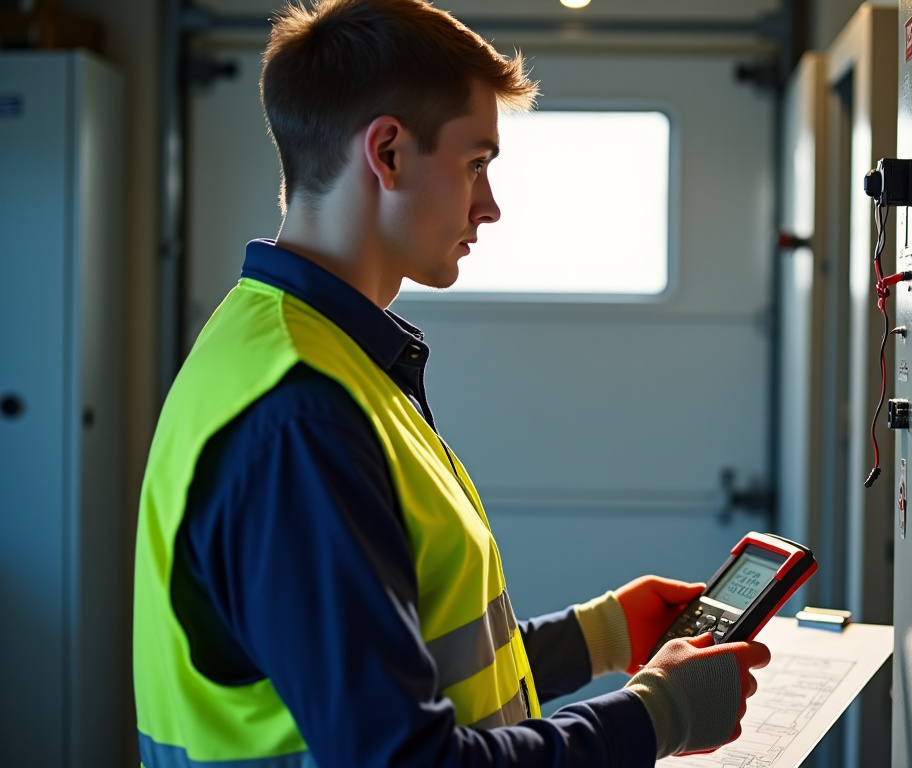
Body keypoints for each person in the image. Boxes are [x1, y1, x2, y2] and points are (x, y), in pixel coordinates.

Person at [130, 0, 771, 765]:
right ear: (389, 152)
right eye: (476, 163)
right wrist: (655, 716)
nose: (490, 206)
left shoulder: (298, 351)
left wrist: (603, 635)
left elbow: (406, 668)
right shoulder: (300, 418)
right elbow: (405, 758)